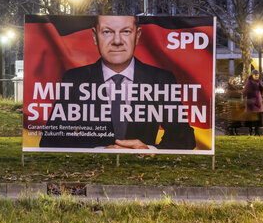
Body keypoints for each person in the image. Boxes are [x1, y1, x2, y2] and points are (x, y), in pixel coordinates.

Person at [39, 15, 196, 150]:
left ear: (138, 35)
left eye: (126, 31)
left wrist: (150, 150)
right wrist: (98, 151)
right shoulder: (75, 79)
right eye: (107, 32)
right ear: (94, 36)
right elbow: (51, 139)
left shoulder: (161, 79)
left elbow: (185, 138)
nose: (117, 41)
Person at [242, 69, 263, 136]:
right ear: (252, 75)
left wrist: (262, 89)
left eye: (257, 75)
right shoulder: (249, 82)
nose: (257, 76)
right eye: (255, 75)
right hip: (251, 103)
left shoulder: (260, 82)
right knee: (251, 119)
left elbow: (261, 92)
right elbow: (245, 92)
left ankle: (257, 132)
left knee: (257, 119)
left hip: (258, 102)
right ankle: (251, 132)